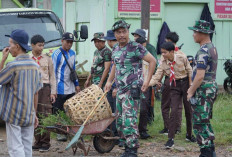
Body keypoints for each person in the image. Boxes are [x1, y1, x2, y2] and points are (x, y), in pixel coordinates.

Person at [105, 20, 156, 157]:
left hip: (132, 90)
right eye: (118, 32)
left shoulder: (136, 47)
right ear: (114, 34)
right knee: (120, 121)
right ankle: (127, 148)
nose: (122, 35)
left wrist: (147, 80)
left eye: (124, 32)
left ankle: (132, 151)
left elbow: (152, 61)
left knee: (129, 120)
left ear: (128, 32)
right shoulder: (115, 48)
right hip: (120, 90)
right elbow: (115, 65)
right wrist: (109, 81)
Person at [0, 29, 43, 157]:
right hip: (28, 113)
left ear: (17, 46)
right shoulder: (35, 66)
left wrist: (3, 59)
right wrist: (34, 113)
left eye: (10, 44)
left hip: (13, 114)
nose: (9, 47)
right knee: (27, 147)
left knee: (15, 148)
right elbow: (36, 93)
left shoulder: (12, 66)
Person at [149, 41, 194, 148]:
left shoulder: (182, 57)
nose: (163, 55)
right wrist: (147, 84)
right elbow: (157, 75)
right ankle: (171, 138)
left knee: (188, 110)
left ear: (172, 52)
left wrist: (191, 87)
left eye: (165, 53)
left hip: (186, 83)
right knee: (173, 111)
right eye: (162, 53)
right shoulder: (163, 62)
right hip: (174, 85)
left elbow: (189, 70)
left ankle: (189, 134)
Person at [188, 20, 218, 157]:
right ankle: (210, 150)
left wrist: (191, 91)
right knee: (205, 120)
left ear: (202, 33)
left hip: (203, 90)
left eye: (195, 32)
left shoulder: (203, 51)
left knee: (199, 122)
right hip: (210, 88)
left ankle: (206, 152)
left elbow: (200, 76)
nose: (193, 35)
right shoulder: (212, 48)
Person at [159, 32, 189, 135]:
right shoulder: (182, 54)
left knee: (165, 105)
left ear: (169, 41)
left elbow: (161, 69)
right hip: (181, 81)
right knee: (178, 105)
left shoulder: (166, 54)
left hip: (169, 80)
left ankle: (168, 127)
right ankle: (177, 127)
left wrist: (157, 81)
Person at [52, 32, 80, 141]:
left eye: (71, 42)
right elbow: (53, 72)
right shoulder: (57, 54)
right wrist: (53, 89)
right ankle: (60, 132)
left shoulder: (73, 53)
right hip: (59, 88)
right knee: (59, 111)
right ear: (62, 41)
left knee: (70, 112)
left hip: (71, 88)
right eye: (67, 42)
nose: (69, 44)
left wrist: (77, 85)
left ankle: (70, 131)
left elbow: (73, 70)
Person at [30, 35, 56, 152]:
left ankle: (45, 142)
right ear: (32, 45)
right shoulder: (28, 58)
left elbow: (52, 77)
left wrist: (53, 92)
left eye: (43, 45)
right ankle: (37, 141)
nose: (41, 48)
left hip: (45, 89)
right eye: (39, 45)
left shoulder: (47, 58)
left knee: (45, 114)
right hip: (32, 89)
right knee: (34, 113)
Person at [132, 29, 158, 139]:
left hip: (145, 84)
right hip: (133, 85)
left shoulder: (149, 54)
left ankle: (142, 130)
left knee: (143, 109)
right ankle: (132, 131)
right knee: (132, 109)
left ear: (144, 44)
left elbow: (155, 66)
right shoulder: (132, 54)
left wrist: (150, 82)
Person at [104, 30, 118, 137]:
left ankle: (117, 135)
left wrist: (116, 87)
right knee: (110, 111)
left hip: (116, 87)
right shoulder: (114, 50)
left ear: (109, 41)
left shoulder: (118, 50)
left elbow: (119, 70)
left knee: (115, 112)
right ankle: (111, 132)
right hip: (111, 85)